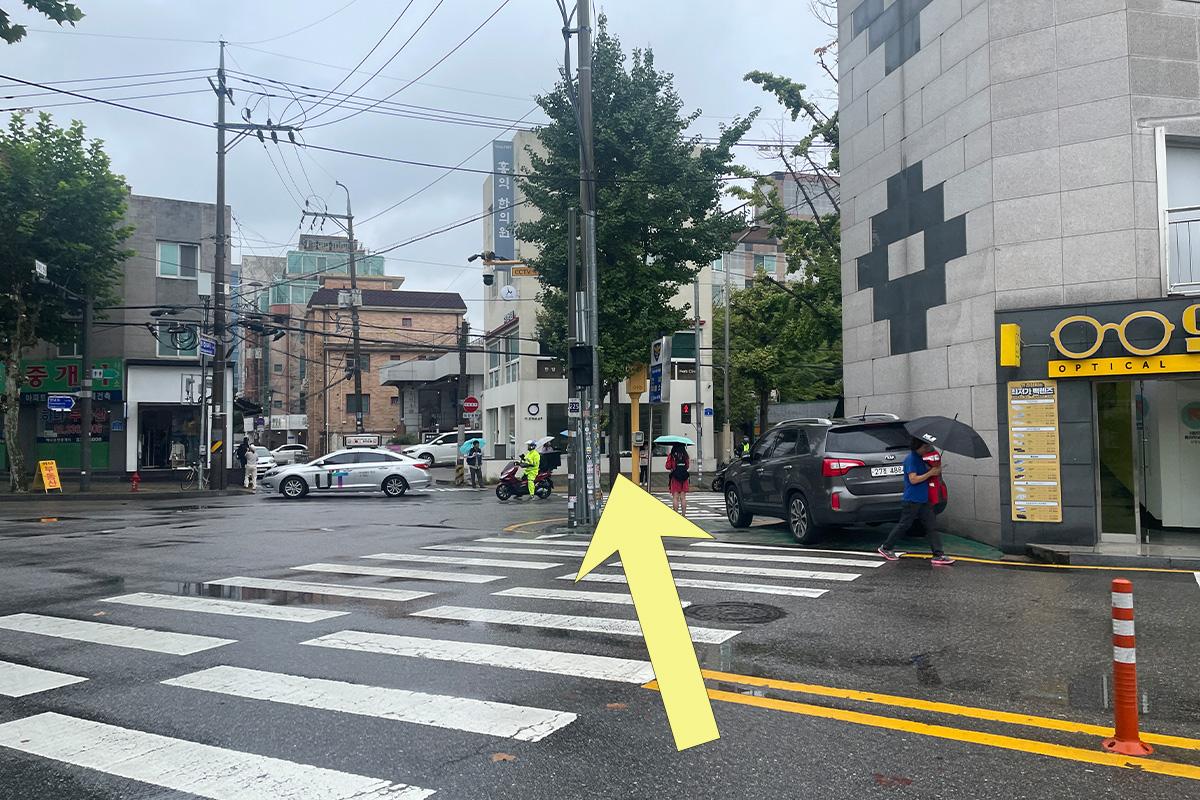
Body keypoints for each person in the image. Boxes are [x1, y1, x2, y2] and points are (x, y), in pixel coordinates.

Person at [878, 439, 954, 566]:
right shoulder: (911, 459)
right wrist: (930, 473)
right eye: (925, 446)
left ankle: (938, 554)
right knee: (904, 525)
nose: (928, 449)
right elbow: (913, 479)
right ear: (918, 447)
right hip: (912, 499)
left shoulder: (921, 458)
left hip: (923, 499)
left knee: (931, 526)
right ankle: (886, 547)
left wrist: (933, 469)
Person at [665, 443, 690, 516]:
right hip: (684, 478)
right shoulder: (685, 455)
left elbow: (668, 466)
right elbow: (687, 466)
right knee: (683, 497)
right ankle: (683, 514)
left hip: (675, 478)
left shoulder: (672, 455)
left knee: (675, 497)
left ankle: (676, 514)